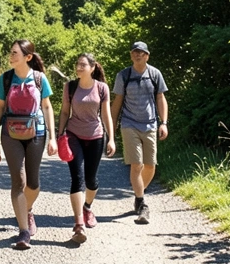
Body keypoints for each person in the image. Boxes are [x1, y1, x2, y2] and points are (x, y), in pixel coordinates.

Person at [0, 39, 57, 250]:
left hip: (36, 133)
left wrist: (53, 137)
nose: (11, 56)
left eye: (15, 53)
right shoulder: (5, 79)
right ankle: (23, 231)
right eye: (10, 53)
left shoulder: (40, 79)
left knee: (34, 184)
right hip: (10, 134)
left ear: (28, 57)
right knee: (18, 181)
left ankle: (26, 210)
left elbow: (47, 107)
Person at [55, 53, 115, 244]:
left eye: (83, 64)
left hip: (96, 136)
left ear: (92, 67)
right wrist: (59, 134)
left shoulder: (102, 88)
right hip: (74, 135)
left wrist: (111, 139)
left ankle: (87, 207)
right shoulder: (70, 87)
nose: (79, 67)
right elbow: (65, 111)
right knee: (77, 179)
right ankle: (78, 224)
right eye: (77, 64)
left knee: (91, 180)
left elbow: (106, 115)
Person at [110, 41, 168, 225]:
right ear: (131, 55)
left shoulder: (155, 74)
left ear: (147, 56)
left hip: (150, 124)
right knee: (137, 164)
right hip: (129, 124)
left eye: (142, 53)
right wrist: (111, 128)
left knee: (150, 166)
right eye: (135, 52)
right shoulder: (124, 75)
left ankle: (138, 194)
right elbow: (117, 102)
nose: (138, 55)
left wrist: (163, 123)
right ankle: (142, 203)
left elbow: (160, 98)